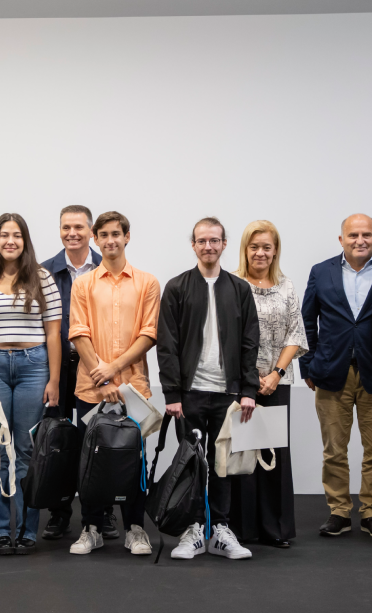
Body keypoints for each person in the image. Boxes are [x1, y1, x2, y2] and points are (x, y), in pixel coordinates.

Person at [158, 217, 261, 560]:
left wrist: (249, 389)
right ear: (193, 245)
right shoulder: (177, 287)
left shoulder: (239, 289)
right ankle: (193, 531)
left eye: (214, 240)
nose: (208, 246)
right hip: (189, 394)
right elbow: (167, 345)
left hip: (229, 395)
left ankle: (220, 530)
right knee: (191, 464)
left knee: (223, 466)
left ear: (224, 244)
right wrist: (172, 394)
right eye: (202, 241)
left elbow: (250, 343)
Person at [0, 214, 62, 555]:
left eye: (16, 235)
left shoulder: (42, 278)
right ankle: (0, 531)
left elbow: (53, 333)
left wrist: (54, 379)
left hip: (34, 367)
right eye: (4, 235)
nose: (10, 241)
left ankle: (27, 530)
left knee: (26, 452)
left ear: (25, 241)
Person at [300, 214, 372, 539]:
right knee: (334, 450)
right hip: (330, 374)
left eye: (367, 235)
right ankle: (339, 512)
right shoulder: (321, 271)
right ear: (341, 239)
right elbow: (307, 320)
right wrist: (308, 365)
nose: (360, 240)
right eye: (353, 234)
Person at [68, 211, 159, 556]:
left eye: (115, 234)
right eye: (103, 235)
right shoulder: (84, 284)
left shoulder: (147, 283)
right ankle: (91, 528)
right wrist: (101, 376)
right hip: (91, 389)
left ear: (127, 236)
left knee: (133, 460)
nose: (110, 240)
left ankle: (135, 529)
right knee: (91, 461)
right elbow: (78, 332)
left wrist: (114, 372)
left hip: (134, 388)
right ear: (95, 239)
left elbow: (149, 333)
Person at [230, 219, 308, 550]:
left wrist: (275, 372)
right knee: (242, 453)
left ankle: (275, 528)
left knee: (273, 453)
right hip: (241, 383)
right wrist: (251, 378)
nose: (260, 252)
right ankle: (243, 529)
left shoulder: (286, 287)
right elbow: (227, 338)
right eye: (254, 246)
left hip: (277, 382)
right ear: (245, 249)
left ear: (275, 251)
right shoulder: (232, 285)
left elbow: (295, 333)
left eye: (267, 247)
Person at [39, 205, 103, 541]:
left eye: (79, 227)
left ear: (91, 231)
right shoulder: (45, 272)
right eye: (66, 227)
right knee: (58, 443)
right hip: (59, 369)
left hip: (96, 367)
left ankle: (101, 514)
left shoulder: (106, 268)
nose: (71, 233)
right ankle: (59, 512)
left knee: (98, 441)